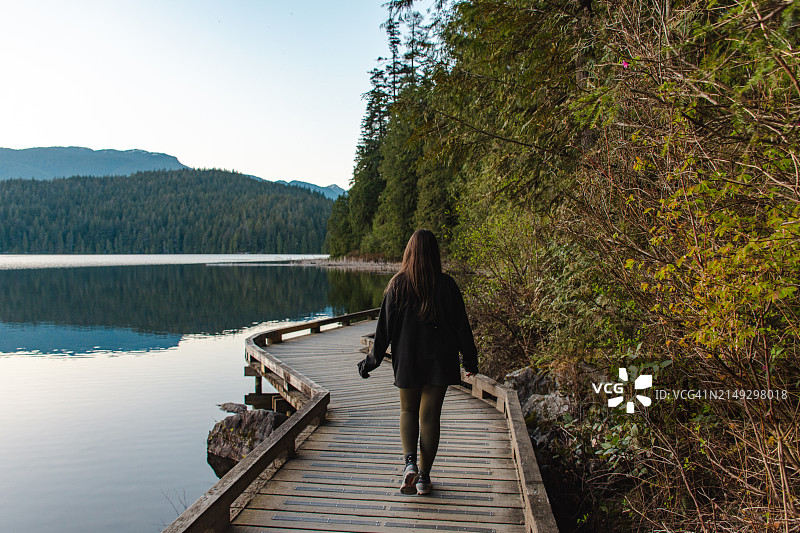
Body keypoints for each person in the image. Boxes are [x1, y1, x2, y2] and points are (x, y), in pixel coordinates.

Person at [357, 229, 479, 495]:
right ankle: (423, 477)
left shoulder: (397, 286)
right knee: (430, 418)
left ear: (409, 252)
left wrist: (370, 362)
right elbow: (462, 328)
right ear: (435, 254)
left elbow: (383, 331)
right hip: (440, 362)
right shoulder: (447, 286)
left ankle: (409, 464)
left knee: (408, 411)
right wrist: (470, 361)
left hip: (407, 360)